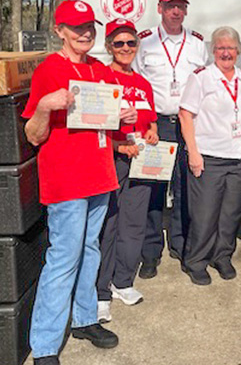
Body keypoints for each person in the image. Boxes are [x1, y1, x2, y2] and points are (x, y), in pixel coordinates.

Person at [23, 0, 137, 365]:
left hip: (99, 175)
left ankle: (85, 318)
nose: (85, 33)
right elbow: (33, 135)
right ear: (60, 30)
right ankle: (44, 344)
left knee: (89, 251)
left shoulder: (101, 71)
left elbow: (106, 122)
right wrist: (44, 107)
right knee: (63, 258)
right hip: (66, 180)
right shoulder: (48, 71)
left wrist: (124, 115)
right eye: (76, 27)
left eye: (89, 26)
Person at [133, 0, 209, 279]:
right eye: (170, 6)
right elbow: (138, 86)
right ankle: (151, 251)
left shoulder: (197, 43)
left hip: (188, 123)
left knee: (184, 188)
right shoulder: (146, 42)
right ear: (160, 8)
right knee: (153, 188)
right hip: (157, 123)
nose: (176, 11)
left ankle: (180, 245)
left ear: (186, 10)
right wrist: (144, 123)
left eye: (181, 6)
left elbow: (203, 84)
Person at [178, 26, 241, 285]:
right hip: (209, 157)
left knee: (231, 213)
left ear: (238, 50)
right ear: (213, 50)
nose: (226, 52)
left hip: (240, 157)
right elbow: (185, 115)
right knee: (205, 213)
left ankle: (222, 255)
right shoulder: (201, 78)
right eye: (221, 47)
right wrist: (193, 154)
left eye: (230, 48)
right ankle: (196, 260)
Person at [96, 19, 158, 323]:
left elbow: (151, 119)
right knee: (108, 225)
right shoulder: (101, 76)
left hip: (142, 159)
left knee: (133, 223)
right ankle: (100, 292)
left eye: (130, 43)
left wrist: (153, 133)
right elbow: (91, 123)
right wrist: (120, 148)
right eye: (118, 43)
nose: (125, 49)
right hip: (112, 158)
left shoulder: (143, 82)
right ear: (109, 46)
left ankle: (122, 281)